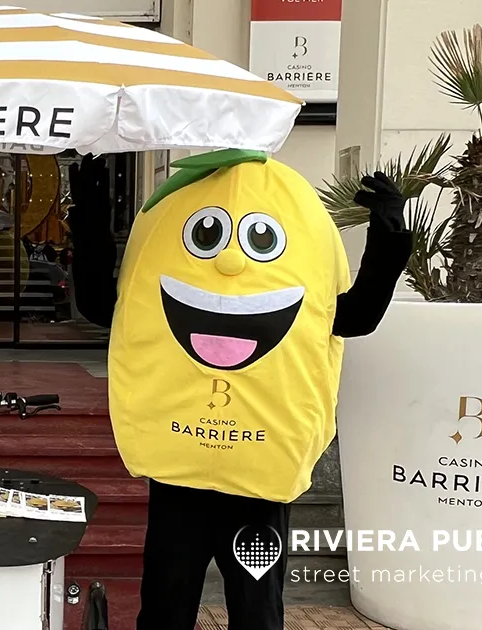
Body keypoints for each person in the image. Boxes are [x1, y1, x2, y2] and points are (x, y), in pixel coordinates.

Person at [65, 152, 413, 630]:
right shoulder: (196, 201)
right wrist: (88, 213)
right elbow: (105, 304)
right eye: (208, 237)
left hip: (257, 483)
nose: (230, 261)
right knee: (167, 604)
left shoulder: (285, 197)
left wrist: (389, 235)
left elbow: (356, 316)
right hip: (182, 475)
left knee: (257, 611)